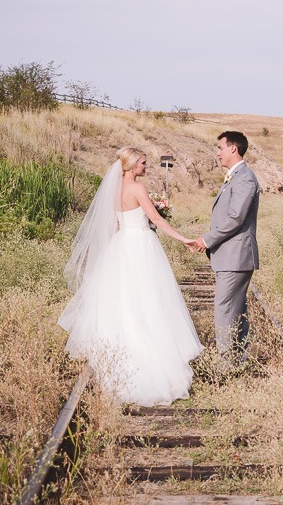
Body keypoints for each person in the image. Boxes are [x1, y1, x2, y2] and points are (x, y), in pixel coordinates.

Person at [59, 147, 204, 406]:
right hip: (141, 246)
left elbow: (114, 224)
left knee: (124, 303)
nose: (146, 167)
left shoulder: (113, 190)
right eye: (143, 163)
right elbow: (156, 220)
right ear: (132, 165)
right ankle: (152, 364)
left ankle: (118, 363)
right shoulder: (138, 189)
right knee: (149, 301)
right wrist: (184, 238)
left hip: (121, 245)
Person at [192, 131, 260, 370]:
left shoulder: (244, 179)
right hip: (232, 256)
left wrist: (206, 240)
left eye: (220, 147)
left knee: (224, 308)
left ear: (233, 148)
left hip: (236, 256)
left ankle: (224, 365)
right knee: (236, 309)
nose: (217, 152)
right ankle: (238, 360)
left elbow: (235, 218)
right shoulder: (236, 177)